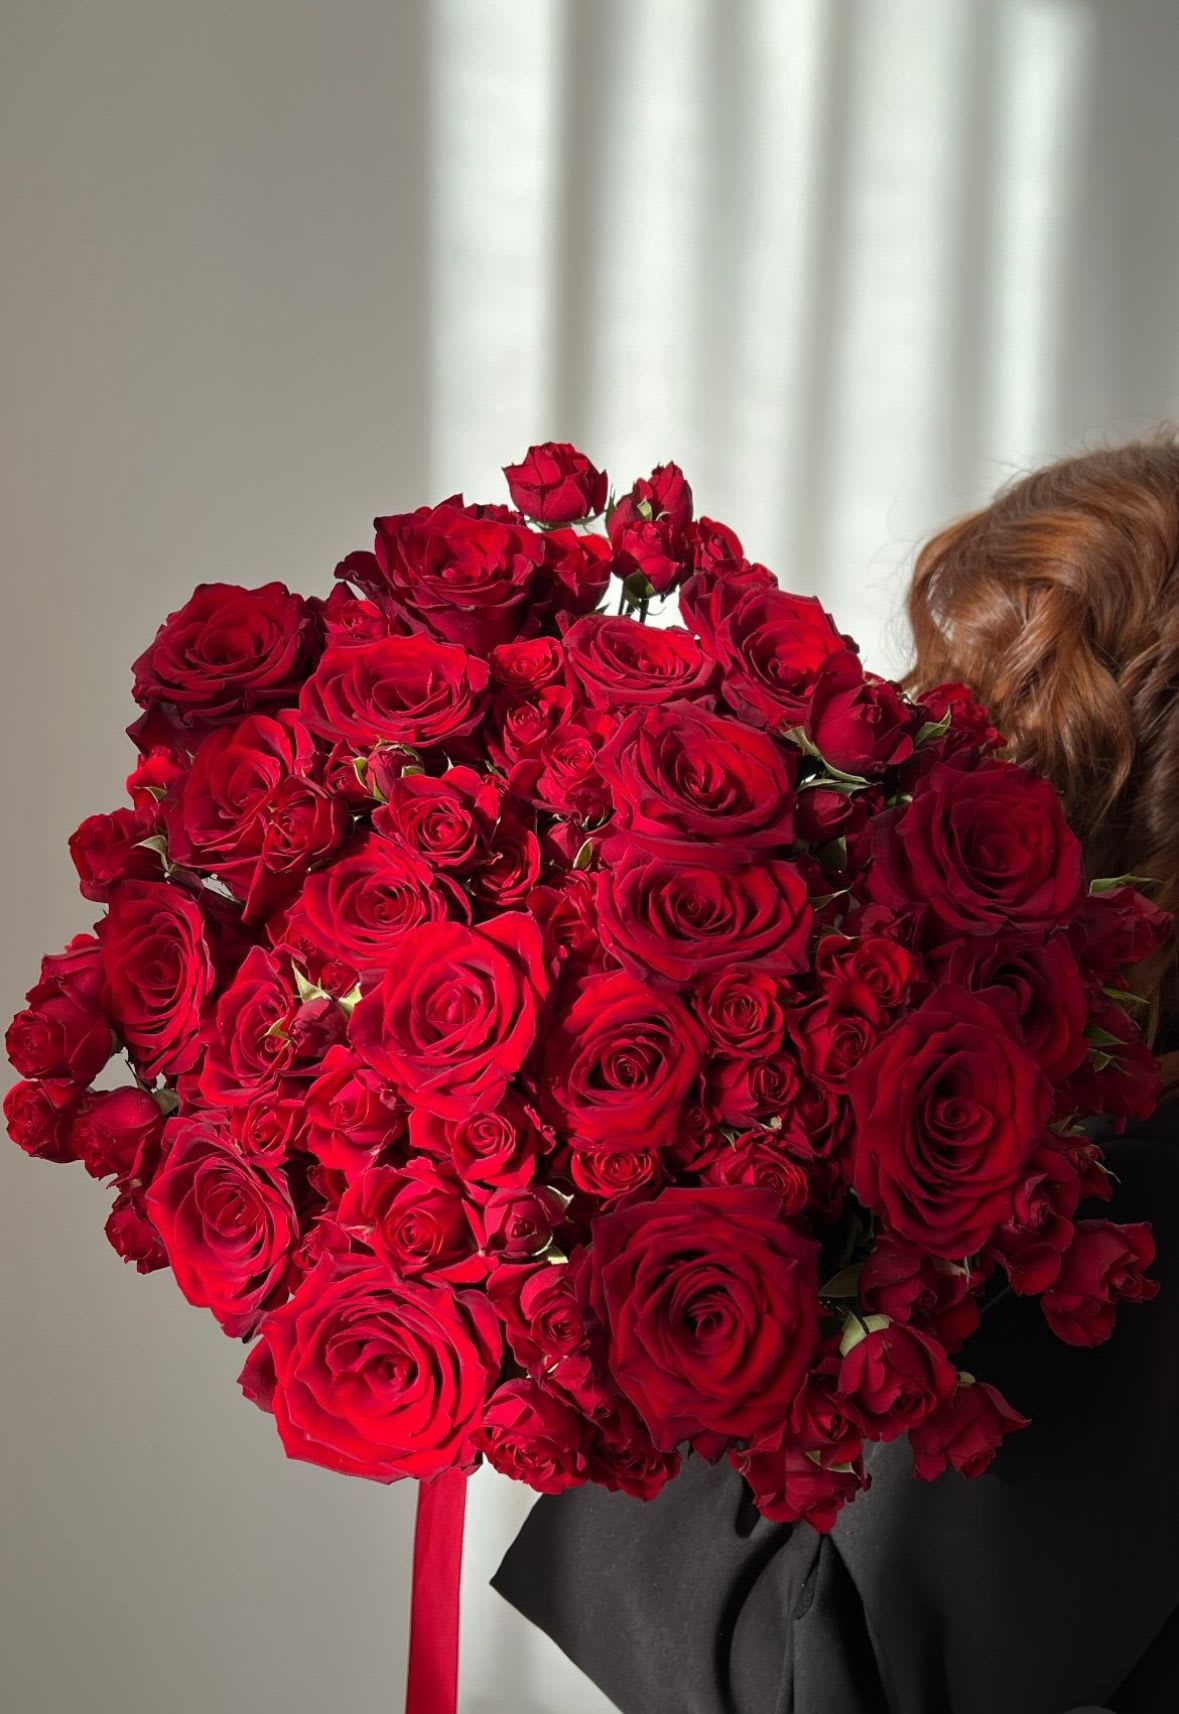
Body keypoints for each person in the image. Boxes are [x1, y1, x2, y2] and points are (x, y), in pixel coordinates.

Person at [492, 437, 1179, 1714]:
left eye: (982, 698)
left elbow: (817, 1674)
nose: (922, 737)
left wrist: (667, 1276)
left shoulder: (1117, 1215)